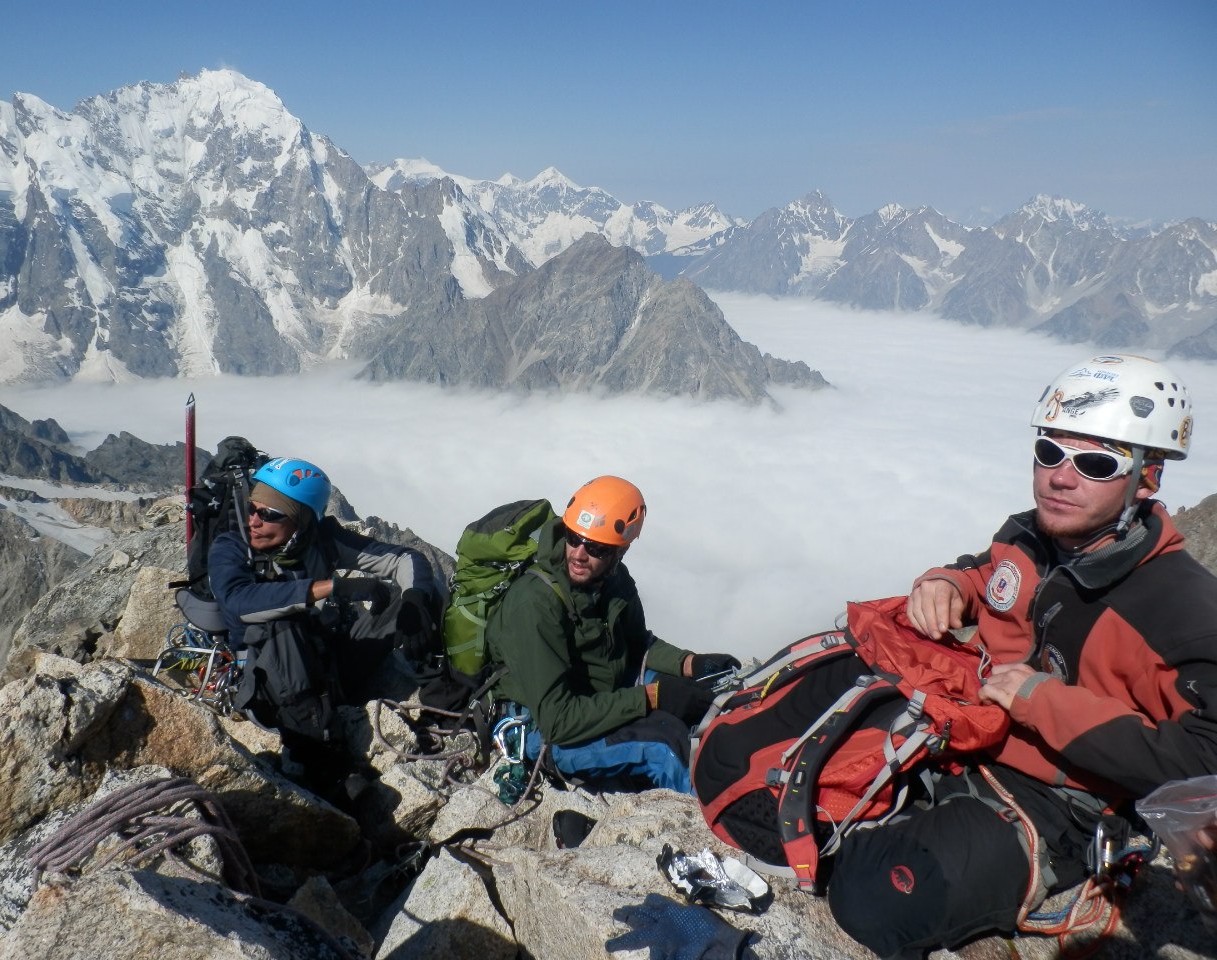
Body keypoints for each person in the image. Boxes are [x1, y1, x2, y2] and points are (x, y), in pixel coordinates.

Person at [821, 355, 1217, 957]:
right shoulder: (1035, 535)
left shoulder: (1183, 614)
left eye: (1095, 463)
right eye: (1051, 453)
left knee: (875, 898)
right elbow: (991, 573)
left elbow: (1205, 761)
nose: (1061, 477)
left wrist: (1042, 702)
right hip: (962, 732)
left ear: (1147, 480)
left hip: (1061, 802)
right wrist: (950, 582)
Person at [484, 475, 740, 794]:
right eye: (573, 538)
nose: (579, 553)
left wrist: (691, 664)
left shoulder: (612, 578)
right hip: (543, 728)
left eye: (595, 547)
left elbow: (636, 645)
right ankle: (726, 821)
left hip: (594, 690)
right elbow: (557, 720)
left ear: (621, 549)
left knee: (705, 695)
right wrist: (649, 698)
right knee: (665, 744)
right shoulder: (535, 603)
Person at [208, 456, 441, 783]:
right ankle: (318, 750)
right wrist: (329, 587)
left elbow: (404, 558)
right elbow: (238, 603)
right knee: (280, 624)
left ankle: (439, 692)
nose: (254, 521)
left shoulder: (322, 539)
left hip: (330, 665)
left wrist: (416, 600)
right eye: (251, 508)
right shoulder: (230, 548)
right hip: (271, 690)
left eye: (269, 514)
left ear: (301, 520)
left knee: (417, 595)